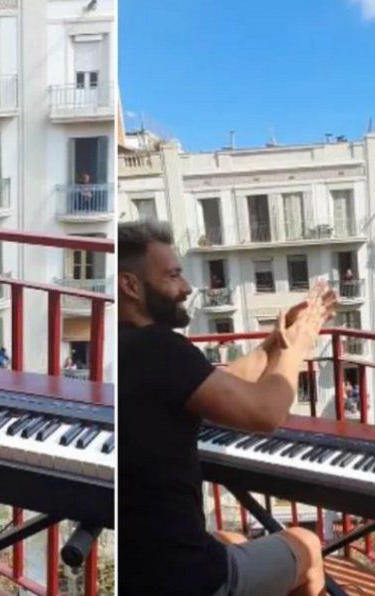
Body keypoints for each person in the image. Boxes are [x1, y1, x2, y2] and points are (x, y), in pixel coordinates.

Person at [118, 220, 336, 596]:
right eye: (173, 276)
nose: (186, 288)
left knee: (233, 537)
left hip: (139, 567)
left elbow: (219, 385)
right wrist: (299, 345)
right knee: (307, 544)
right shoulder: (159, 348)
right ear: (130, 285)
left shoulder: (123, 346)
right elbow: (266, 413)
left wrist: (272, 344)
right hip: (182, 578)